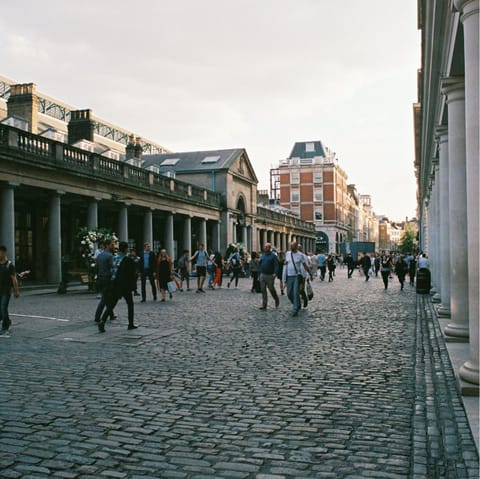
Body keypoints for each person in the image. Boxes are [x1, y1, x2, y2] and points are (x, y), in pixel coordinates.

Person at [98, 241, 138, 332]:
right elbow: (131, 275)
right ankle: (130, 324)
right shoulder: (128, 260)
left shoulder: (115, 258)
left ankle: (102, 321)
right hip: (125, 286)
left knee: (112, 304)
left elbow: (112, 270)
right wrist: (134, 287)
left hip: (115, 284)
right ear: (126, 249)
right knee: (130, 304)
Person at [282, 241, 312, 317]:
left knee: (296, 292)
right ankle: (297, 303)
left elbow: (305, 265)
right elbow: (285, 263)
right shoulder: (288, 254)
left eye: (292, 246)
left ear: (296, 247)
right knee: (289, 293)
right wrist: (284, 263)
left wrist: (310, 274)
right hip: (289, 276)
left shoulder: (300, 255)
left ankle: (295, 309)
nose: (291, 248)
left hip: (296, 276)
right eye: (290, 246)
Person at [94, 237, 117, 324]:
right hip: (107, 279)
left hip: (100, 278)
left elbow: (96, 267)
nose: (113, 246)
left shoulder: (100, 255)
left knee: (107, 297)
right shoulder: (110, 256)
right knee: (105, 299)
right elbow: (112, 268)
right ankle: (97, 316)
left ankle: (111, 314)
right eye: (112, 244)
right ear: (107, 245)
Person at [0, 246, 19, 333]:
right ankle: (7, 320)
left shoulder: (9, 265)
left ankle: (5, 325)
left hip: (6, 290)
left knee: (3, 307)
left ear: (4, 253)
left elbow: (14, 278)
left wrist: (16, 290)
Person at [258, 243, 280, 310]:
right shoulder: (263, 255)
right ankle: (264, 304)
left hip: (270, 275)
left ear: (269, 248)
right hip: (263, 274)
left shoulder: (273, 256)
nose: (265, 248)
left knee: (271, 289)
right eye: (264, 247)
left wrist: (275, 273)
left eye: (266, 247)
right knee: (263, 289)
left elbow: (276, 265)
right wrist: (259, 273)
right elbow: (260, 264)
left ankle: (276, 299)